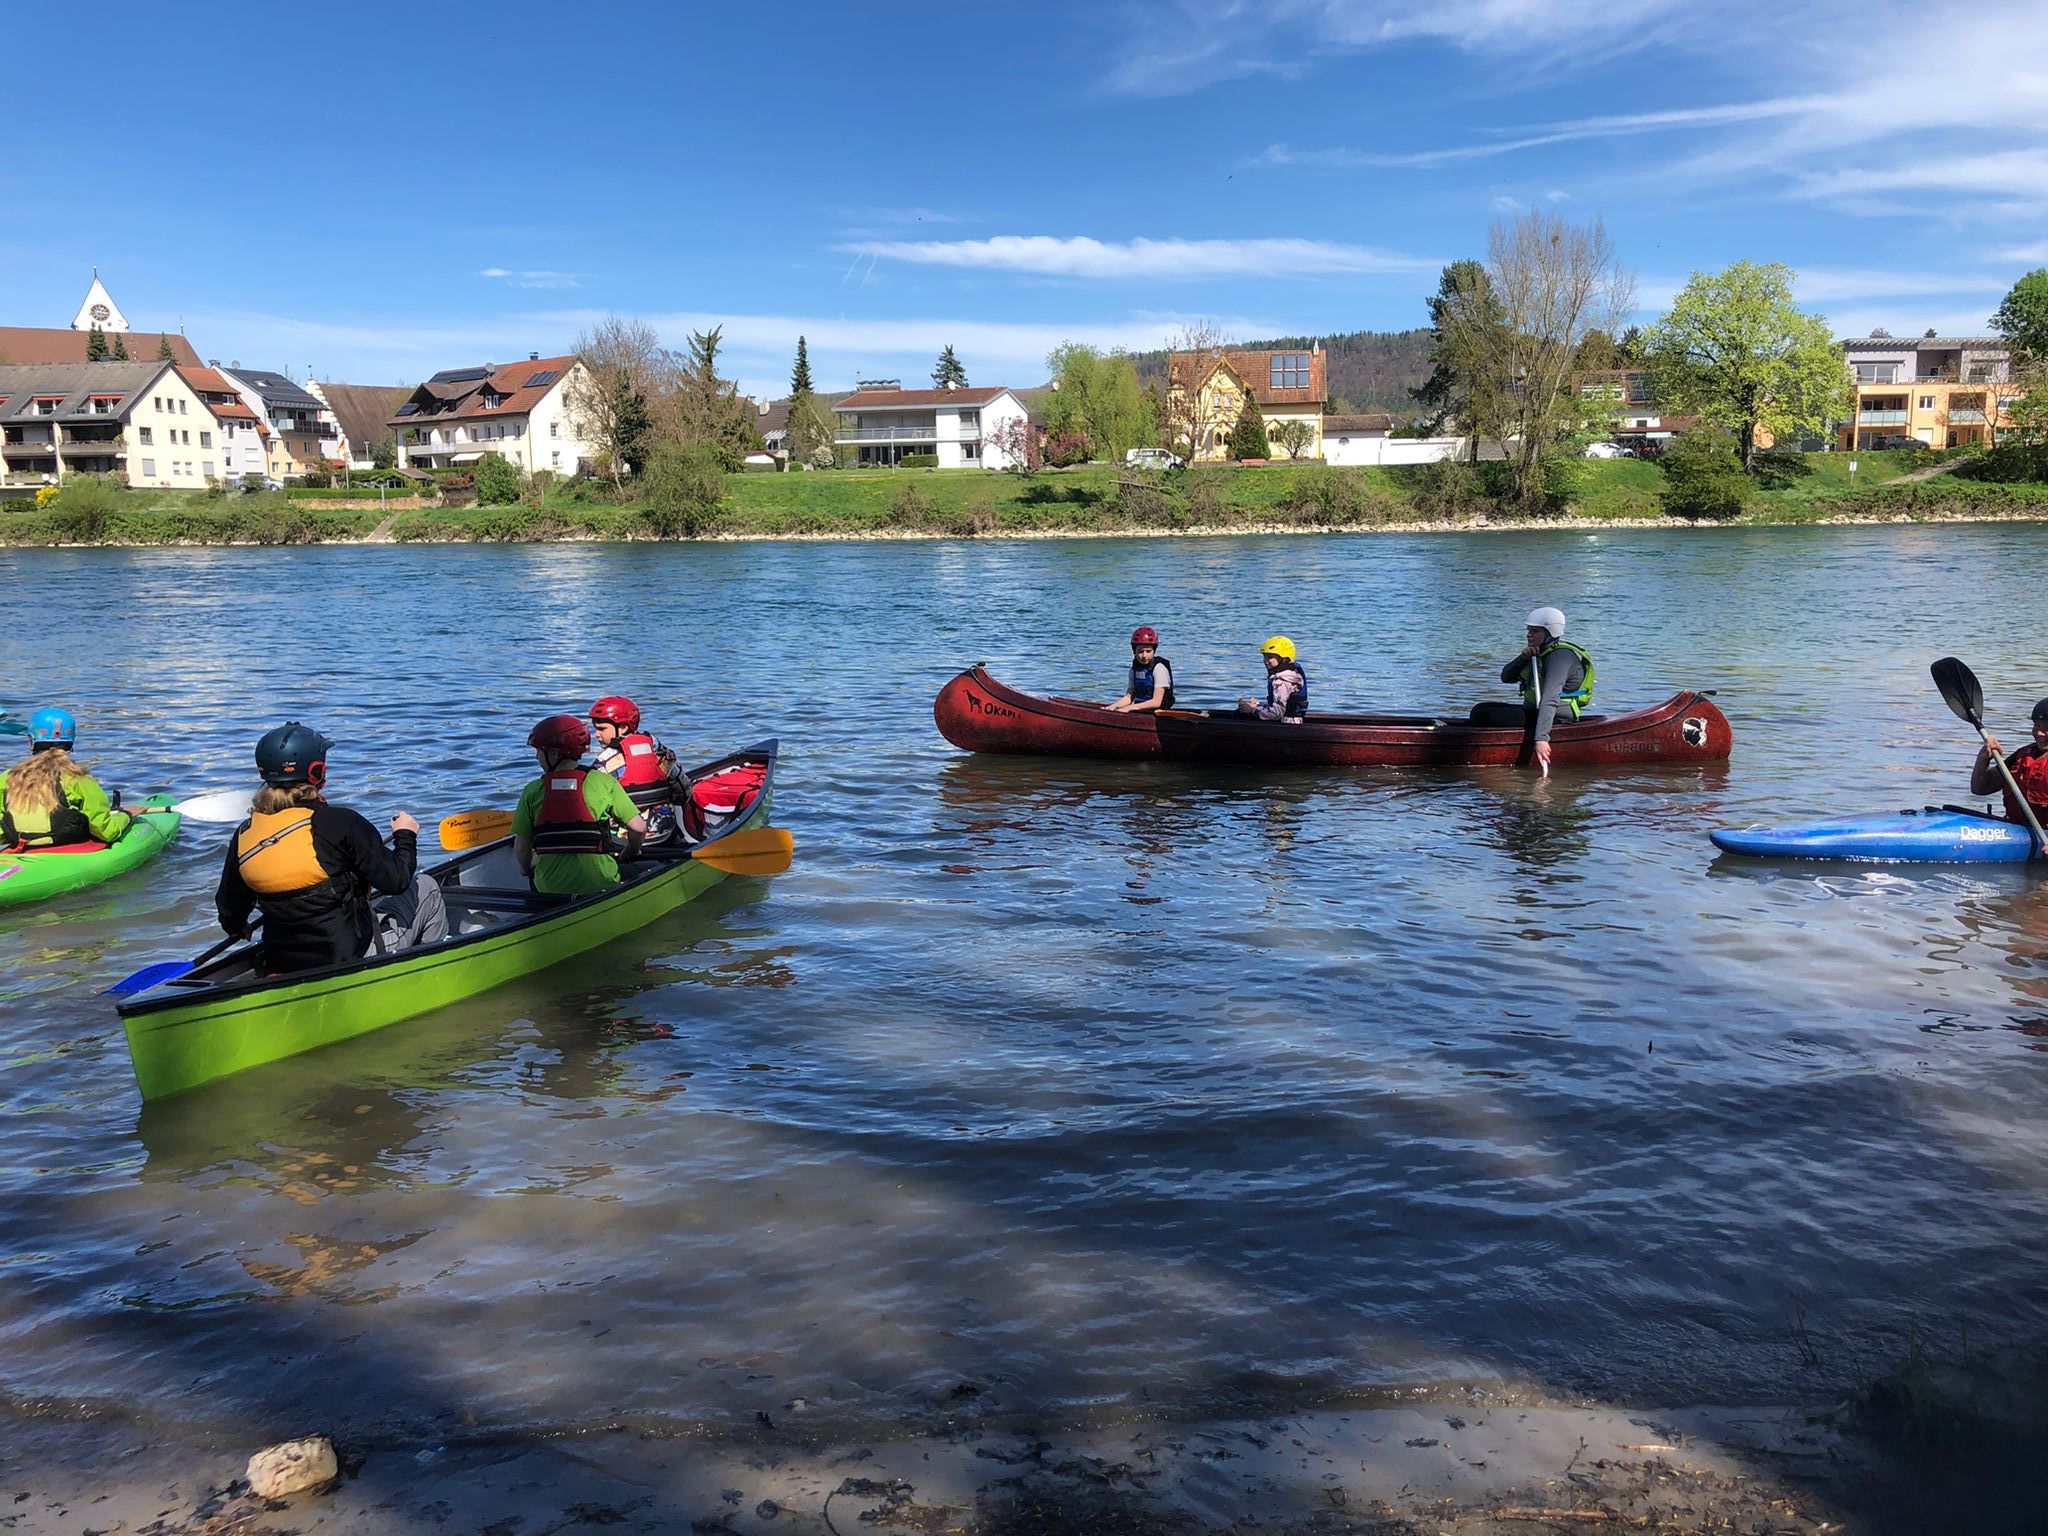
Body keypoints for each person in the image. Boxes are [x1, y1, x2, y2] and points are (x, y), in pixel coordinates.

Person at [216, 722, 444, 975]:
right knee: (427, 888)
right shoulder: (342, 822)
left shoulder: (245, 834)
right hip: (349, 957)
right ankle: (430, 973)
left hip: (279, 962)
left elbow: (230, 914)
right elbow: (397, 881)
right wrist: (405, 836)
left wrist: (240, 928)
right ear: (317, 772)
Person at [513, 714, 648, 895]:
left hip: (549, 889)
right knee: (647, 868)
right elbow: (639, 828)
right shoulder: (602, 782)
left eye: (539, 751)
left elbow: (522, 848)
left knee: (533, 876)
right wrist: (629, 853)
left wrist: (525, 870)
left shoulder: (532, 791)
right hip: (601, 883)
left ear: (554, 754)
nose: (537, 757)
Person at [1472, 607, 1594, 773]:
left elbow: (1550, 698)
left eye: (1534, 631)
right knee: (1480, 709)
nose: (1529, 634)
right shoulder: (1538, 652)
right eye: (1528, 630)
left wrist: (1541, 739)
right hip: (1533, 710)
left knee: (1485, 715)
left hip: (1558, 715)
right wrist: (1523, 658)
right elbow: (1506, 677)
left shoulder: (1560, 657)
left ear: (1550, 633)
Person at [0, 707, 134, 849]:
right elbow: (107, 830)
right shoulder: (78, 778)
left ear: (31, 741)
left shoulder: (7, 777)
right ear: (71, 742)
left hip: (21, 849)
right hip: (65, 849)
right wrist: (125, 815)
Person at [588, 694, 685, 841]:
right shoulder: (660, 752)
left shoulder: (603, 763)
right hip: (665, 833)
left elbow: (592, 809)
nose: (596, 734)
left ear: (622, 727)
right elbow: (684, 793)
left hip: (624, 840)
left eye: (601, 729)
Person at [1971, 696, 2048, 829]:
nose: (2039, 733)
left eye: (2047, 728)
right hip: (2015, 831)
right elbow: (1981, 788)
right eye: (2037, 725)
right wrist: (1984, 759)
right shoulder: (2023, 755)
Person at [1236, 635, 1308, 721]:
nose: (1265, 660)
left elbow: (1276, 713)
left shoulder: (1282, 681)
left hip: (1286, 724)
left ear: (1284, 658)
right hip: (1290, 720)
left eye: (1270, 657)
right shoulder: (1291, 674)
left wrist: (1252, 710)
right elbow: (1280, 705)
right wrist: (1258, 705)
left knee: (1237, 715)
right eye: (1264, 656)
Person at [1107, 625, 1175, 713]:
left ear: (1154, 651)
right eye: (1140, 651)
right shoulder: (1134, 669)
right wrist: (1113, 707)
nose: (1144, 655)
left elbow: (1156, 702)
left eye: (1148, 651)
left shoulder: (1159, 669)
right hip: (1139, 710)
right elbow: (1129, 697)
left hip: (1158, 713)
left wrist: (1129, 708)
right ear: (1134, 652)